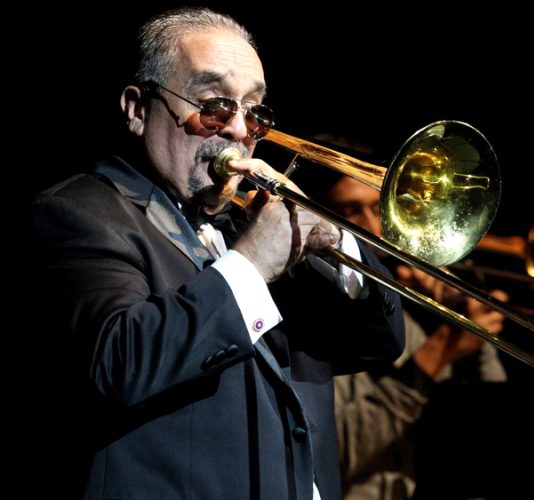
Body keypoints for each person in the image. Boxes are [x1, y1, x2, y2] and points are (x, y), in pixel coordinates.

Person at [24, 7, 403, 499]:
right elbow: (117, 364)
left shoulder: (250, 226)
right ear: (138, 109)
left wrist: (336, 245)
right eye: (215, 106)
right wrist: (249, 266)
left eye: (254, 111)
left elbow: (376, 344)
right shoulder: (78, 213)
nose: (240, 131)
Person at [316, 171, 508, 500]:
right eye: (350, 212)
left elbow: (491, 423)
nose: (373, 228)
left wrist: (468, 325)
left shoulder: (411, 324)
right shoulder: (312, 321)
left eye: (378, 209)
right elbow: (330, 454)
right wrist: (440, 349)